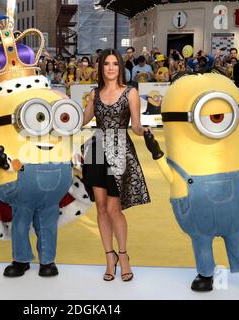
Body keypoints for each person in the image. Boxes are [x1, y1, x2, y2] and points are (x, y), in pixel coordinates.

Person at [82, 49, 151, 282]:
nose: (110, 68)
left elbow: (136, 126)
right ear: (101, 68)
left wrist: (144, 131)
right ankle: (109, 257)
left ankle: (123, 256)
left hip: (120, 147)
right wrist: (61, 111)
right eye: (106, 64)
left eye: (114, 64)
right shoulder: (94, 94)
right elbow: (81, 120)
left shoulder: (130, 92)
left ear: (120, 67)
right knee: (100, 207)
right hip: (95, 149)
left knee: (114, 209)